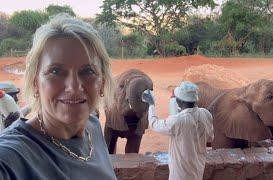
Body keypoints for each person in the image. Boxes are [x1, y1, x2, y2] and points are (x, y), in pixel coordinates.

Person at [0, 14, 117, 180]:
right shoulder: (11, 157)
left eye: (88, 71)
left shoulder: (93, 126)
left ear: (102, 81)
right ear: (35, 82)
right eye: (55, 71)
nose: (74, 87)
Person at [142, 81, 214, 180]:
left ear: (180, 101)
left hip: (180, 175)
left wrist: (151, 104)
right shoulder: (206, 114)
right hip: (198, 170)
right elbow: (210, 139)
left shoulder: (177, 121)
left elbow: (154, 124)